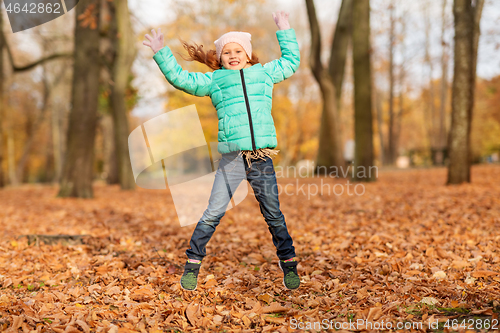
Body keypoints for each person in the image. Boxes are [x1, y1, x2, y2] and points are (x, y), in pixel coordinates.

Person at [143, 11, 300, 291]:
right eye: (227, 52)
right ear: (220, 57)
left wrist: (284, 29)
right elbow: (182, 79)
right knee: (213, 212)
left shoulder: (263, 74)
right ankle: (192, 263)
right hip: (232, 159)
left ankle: (288, 262)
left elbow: (291, 62)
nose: (233, 55)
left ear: (248, 54)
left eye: (238, 50)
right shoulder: (216, 81)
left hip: (261, 158)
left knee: (273, 213)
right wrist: (161, 54)